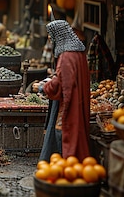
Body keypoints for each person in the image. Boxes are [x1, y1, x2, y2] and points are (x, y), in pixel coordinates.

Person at [33, 20, 90, 160]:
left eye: (52, 36)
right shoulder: (78, 52)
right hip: (79, 99)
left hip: (70, 102)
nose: (51, 40)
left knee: (65, 132)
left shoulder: (66, 57)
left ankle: (66, 163)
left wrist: (43, 87)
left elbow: (62, 84)